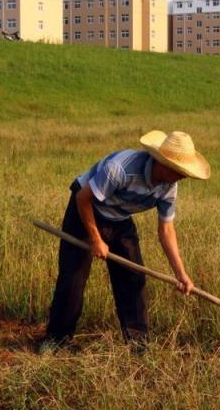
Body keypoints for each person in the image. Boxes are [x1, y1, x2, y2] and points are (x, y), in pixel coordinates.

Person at [41, 130, 210, 349]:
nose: (184, 176)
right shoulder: (120, 169)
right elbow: (83, 198)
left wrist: (181, 273)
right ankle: (56, 340)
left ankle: (138, 344)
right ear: (163, 164)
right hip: (86, 208)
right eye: (180, 170)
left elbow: (166, 229)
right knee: (73, 277)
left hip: (119, 218)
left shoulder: (169, 187)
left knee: (133, 278)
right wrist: (96, 239)